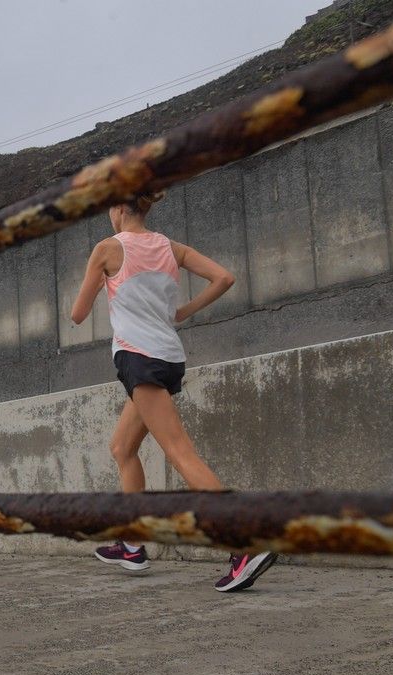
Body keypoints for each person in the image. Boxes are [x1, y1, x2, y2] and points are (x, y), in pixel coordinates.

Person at [69, 193, 277, 592]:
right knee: (122, 448)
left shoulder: (107, 249)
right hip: (168, 358)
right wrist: (183, 311)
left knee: (181, 452)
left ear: (117, 209)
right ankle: (131, 543)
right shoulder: (171, 247)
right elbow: (224, 277)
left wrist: (100, 279)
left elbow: (77, 315)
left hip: (138, 359)